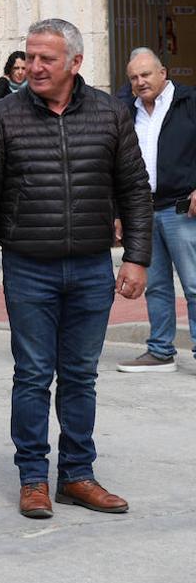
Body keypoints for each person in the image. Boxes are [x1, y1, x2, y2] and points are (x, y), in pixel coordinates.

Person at [0, 18, 151, 519]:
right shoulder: (2, 116)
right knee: (31, 375)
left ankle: (76, 475)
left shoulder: (111, 114)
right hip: (29, 267)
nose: (34, 66)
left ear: (75, 62)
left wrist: (136, 257)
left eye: (47, 58)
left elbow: (135, 189)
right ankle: (32, 478)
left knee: (80, 377)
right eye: (29, 56)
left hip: (92, 268)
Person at [115, 48, 196, 373]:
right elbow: (118, 164)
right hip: (142, 211)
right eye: (134, 77)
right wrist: (119, 211)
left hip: (182, 211)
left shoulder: (189, 102)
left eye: (146, 74)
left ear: (163, 73)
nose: (140, 81)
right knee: (158, 285)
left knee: (194, 285)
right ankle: (161, 351)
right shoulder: (127, 111)